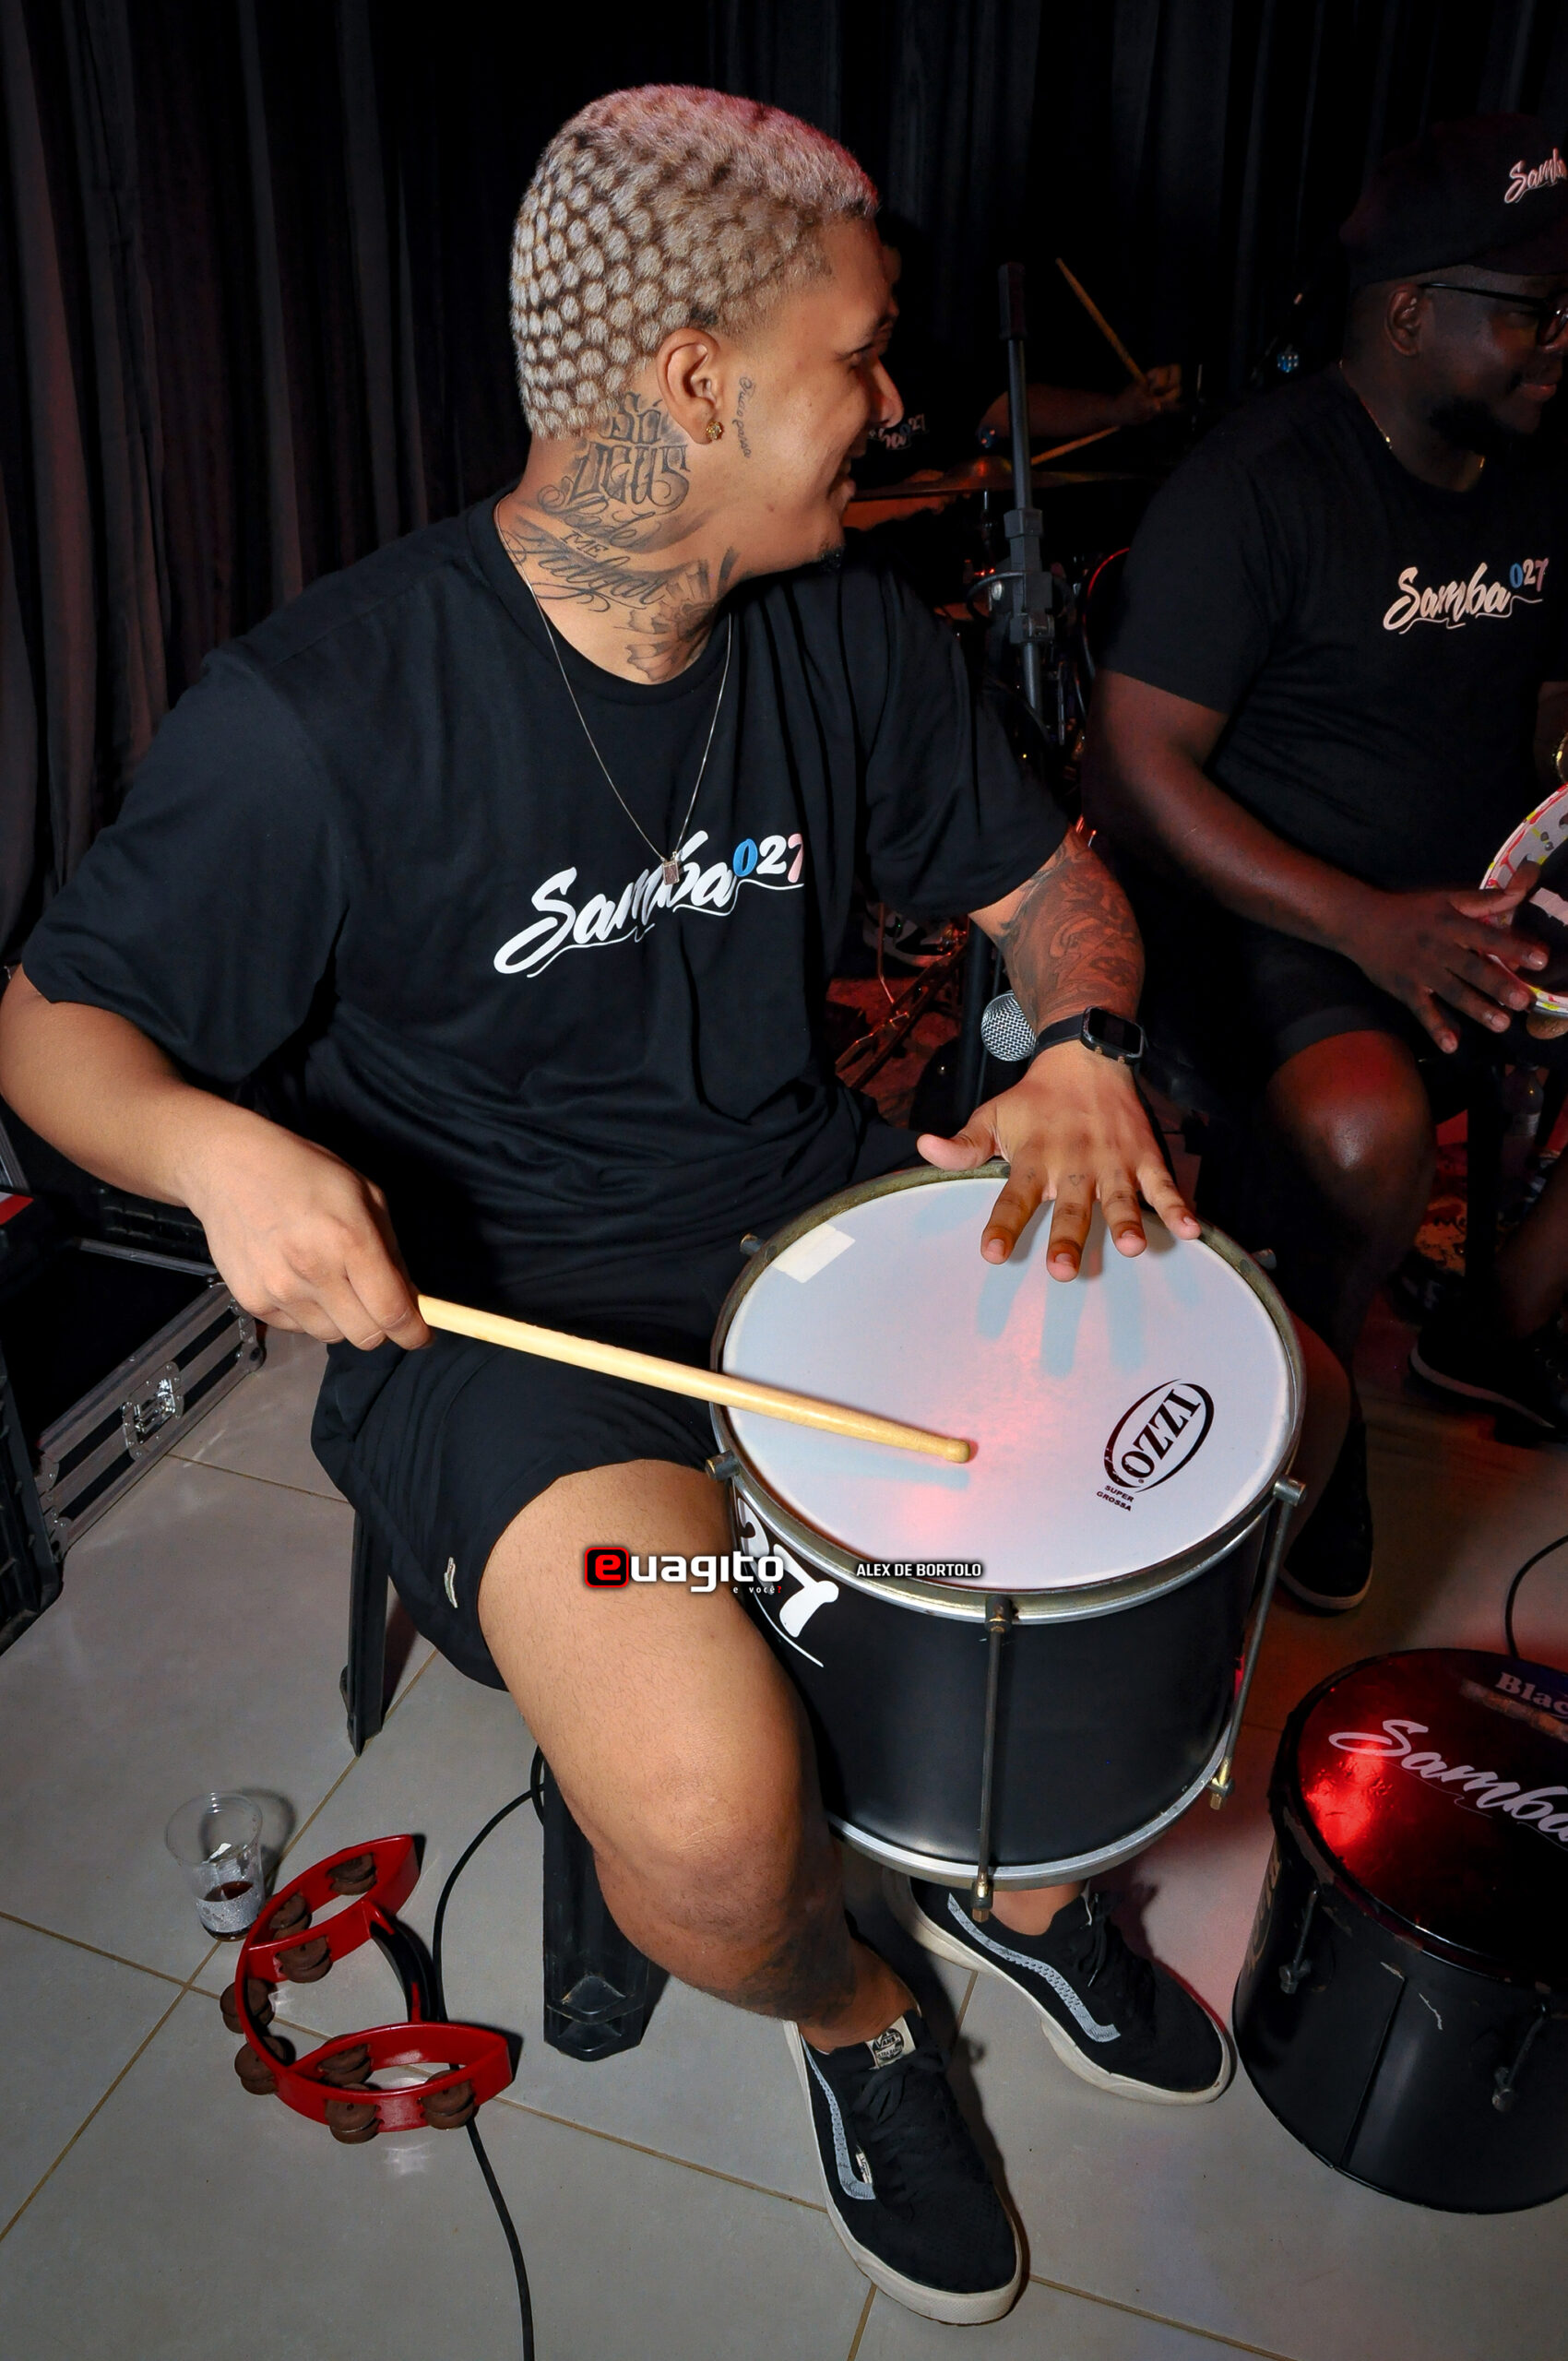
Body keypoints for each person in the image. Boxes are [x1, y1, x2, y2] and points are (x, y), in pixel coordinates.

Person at [0, 89, 1319, 2326]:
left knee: (1135, 1500)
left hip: (800, 1220)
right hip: (506, 1336)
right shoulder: (327, 710)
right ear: (695, 380)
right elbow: (54, 1024)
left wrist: (1082, 1042)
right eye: (860, 357)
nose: (893, 405)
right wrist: (220, 1149)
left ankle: (1006, 1878)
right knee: (707, 1814)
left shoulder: (845, 633)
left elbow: (1051, 887)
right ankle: (855, 2010)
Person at [1084, 113, 1568, 1614]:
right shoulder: (1258, 485)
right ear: (1410, 313)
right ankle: (1314, 1394)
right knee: (1364, 1135)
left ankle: (1492, 1327)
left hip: (1471, 894)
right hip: (1274, 905)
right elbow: (1130, 768)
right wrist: (1364, 922)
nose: (1563, 340)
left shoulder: (1538, 470)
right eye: (1534, 311)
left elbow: (1542, 707)